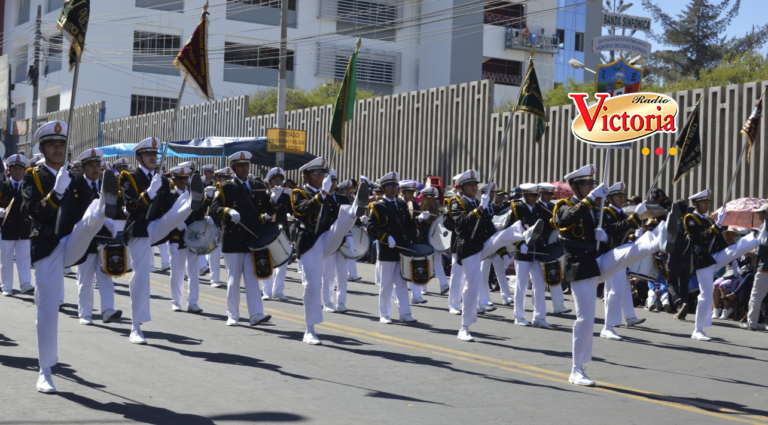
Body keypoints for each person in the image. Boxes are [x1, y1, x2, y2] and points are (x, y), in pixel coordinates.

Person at [554, 164, 680, 386]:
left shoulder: (594, 210)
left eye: (591, 184)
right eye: (586, 184)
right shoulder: (564, 206)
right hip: (580, 270)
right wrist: (591, 198)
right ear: (575, 186)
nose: (590, 187)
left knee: (625, 253)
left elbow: (615, 229)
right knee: (585, 319)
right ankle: (577, 369)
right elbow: (564, 220)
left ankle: (656, 238)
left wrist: (636, 216)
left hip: (597, 262)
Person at [22, 121, 119, 393]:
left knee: (92, 215)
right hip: (46, 247)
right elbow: (34, 213)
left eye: (62, 144)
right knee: (48, 306)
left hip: (72, 241)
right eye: (52, 144)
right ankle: (45, 370)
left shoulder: (76, 177)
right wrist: (56, 192)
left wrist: (108, 225)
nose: (57, 149)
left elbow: (80, 212)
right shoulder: (33, 176)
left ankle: (103, 207)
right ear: (42, 148)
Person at [120, 137, 203, 345]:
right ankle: (135, 327)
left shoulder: (164, 181)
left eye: (155, 154)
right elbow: (131, 207)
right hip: (138, 229)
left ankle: (191, 202)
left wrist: (180, 220)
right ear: (139, 157)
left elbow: (168, 210)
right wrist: (148, 193)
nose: (152, 158)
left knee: (177, 210)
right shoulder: (128, 177)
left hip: (157, 226)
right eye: (148, 154)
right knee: (141, 276)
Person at [451, 171, 542, 341]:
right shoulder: (458, 203)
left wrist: (503, 252)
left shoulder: (480, 203)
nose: (474, 187)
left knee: (501, 234)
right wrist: (480, 209)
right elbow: (460, 224)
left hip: (481, 245)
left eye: (475, 184)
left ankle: (524, 233)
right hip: (468, 249)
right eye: (470, 185)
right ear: (461, 189)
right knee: (472, 286)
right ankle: (464, 327)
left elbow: (490, 230)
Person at [291, 158, 368, 344]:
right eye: (315, 173)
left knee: (344, 216)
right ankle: (309, 330)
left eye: (322, 173)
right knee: (312, 285)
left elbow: (334, 222)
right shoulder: (299, 193)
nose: (320, 176)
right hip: (310, 243)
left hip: (327, 239)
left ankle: (355, 210)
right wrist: (323, 193)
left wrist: (348, 236)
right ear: (306, 176)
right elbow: (303, 210)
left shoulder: (331, 196)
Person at [684, 189, 767, 341]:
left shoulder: (709, 220)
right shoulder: (690, 219)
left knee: (735, 249)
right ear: (695, 204)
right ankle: (698, 330)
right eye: (703, 202)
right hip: (702, 261)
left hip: (714, 257)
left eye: (708, 202)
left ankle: (757, 237)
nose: (706, 205)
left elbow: (719, 241)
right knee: (706, 294)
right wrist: (718, 223)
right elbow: (703, 237)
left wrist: (733, 254)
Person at [209, 151, 276, 327]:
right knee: (233, 280)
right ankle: (232, 314)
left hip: (253, 238)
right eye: (241, 166)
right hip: (233, 240)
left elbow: (268, 209)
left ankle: (256, 314)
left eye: (246, 165)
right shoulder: (225, 187)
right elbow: (213, 209)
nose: (245, 169)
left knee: (253, 278)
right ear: (233, 168)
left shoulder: (258, 185)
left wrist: (274, 204)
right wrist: (227, 212)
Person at [74, 148, 125, 326]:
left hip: (105, 240)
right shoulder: (76, 186)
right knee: (85, 278)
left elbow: (115, 208)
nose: (96, 170)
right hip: (86, 240)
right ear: (83, 169)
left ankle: (107, 310)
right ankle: (85, 313)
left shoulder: (107, 185)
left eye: (98, 166)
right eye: (91, 166)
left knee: (105, 276)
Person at [366, 172, 425, 324]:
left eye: (395, 186)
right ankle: (384, 313)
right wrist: (385, 237)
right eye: (390, 186)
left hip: (401, 249)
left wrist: (418, 220)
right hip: (387, 249)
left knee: (401, 283)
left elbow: (408, 226)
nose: (394, 189)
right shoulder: (377, 206)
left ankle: (405, 313)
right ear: (384, 188)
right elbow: (370, 227)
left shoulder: (402, 204)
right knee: (386, 284)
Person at [599, 182, 646, 342]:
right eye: (618, 196)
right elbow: (615, 229)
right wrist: (636, 217)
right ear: (610, 198)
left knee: (623, 287)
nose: (621, 198)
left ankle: (630, 316)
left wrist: (635, 236)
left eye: (621, 196)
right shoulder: (605, 213)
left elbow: (624, 233)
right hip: (611, 255)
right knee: (615, 290)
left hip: (620, 254)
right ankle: (608, 326)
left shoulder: (620, 213)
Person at [167, 166, 212, 314]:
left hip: (192, 237)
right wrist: (175, 222)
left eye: (185, 178)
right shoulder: (170, 196)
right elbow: (164, 215)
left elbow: (198, 213)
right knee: (177, 270)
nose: (182, 181)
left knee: (193, 271)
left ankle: (193, 302)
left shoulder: (193, 195)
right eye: (179, 179)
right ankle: (176, 301)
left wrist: (204, 217)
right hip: (176, 237)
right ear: (174, 179)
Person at [507, 183, 552, 327]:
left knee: (539, 284)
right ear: (524, 195)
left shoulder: (540, 208)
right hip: (523, 251)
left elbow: (550, 223)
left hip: (536, 252)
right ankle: (519, 316)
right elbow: (510, 230)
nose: (536, 198)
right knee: (521, 284)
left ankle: (539, 317)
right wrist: (520, 245)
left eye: (537, 195)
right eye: (533, 195)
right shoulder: (517, 208)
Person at [1, 154, 34, 296]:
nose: (18, 172)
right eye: (14, 168)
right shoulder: (2, 186)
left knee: (24, 257)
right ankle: (6, 286)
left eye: (20, 169)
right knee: (6, 259)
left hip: (23, 227)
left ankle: (25, 283)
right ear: (9, 170)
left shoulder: (29, 187)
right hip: (6, 228)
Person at [260, 166, 291, 302]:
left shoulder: (286, 196)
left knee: (282, 262)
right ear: (269, 183)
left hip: (281, 231)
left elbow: (291, 211)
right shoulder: (263, 195)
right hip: (266, 231)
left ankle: (278, 291)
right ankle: (266, 291)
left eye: (280, 180)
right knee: (266, 261)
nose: (278, 183)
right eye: (275, 180)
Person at [538, 182, 571, 314]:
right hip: (541, 245)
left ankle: (558, 305)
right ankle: (538, 307)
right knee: (539, 280)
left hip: (553, 245)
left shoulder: (553, 207)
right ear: (541, 193)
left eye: (551, 193)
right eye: (547, 193)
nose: (549, 196)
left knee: (554, 274)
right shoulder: (537, 207)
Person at [478, 183, 508, 311]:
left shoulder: (495, 207)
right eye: (489, 193)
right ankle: (486, 299)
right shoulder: (480, 206)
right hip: (484, 243)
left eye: (493, 193)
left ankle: (506, 296)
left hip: (495, 242)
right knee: (484, 272)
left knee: (500, 269)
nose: (491, 196)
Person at [399, 180, 429, 304]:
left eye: (413, 192)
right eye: (409, 192)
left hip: (411, 239)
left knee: (413, 267)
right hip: (399, 241)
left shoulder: (415, 206)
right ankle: (397, 296)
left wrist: (421, 219)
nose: (412, 194)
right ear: (403, 192)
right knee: (399, 272)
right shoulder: (398, 204)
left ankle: (416, 295)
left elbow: (414, 224)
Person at [741, 204, 768, 330]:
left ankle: (752, 322)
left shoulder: (765, 228)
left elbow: (761, 247)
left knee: (755, 296)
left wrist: (752, 251)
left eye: (761, 212)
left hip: (764, 268)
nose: (758, 215)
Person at [207, 167, 232, 288]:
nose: (226, 180)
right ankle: (214, 279)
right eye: (224, 178)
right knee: (214, 253)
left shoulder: (232, 189)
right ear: (218, 178)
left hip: (228, 226)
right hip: (215, 224)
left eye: (228, 177)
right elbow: (210, 207)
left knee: (228, 255)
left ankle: (230, 279)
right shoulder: (215, 190)